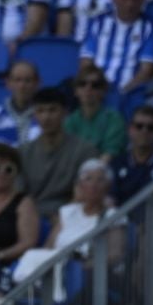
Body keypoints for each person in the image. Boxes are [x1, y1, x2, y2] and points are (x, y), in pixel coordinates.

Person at [19, 88, 100, 219]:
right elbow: (18, 195)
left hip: (71, 218)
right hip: (30, 217)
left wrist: (62, 218)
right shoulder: (23, 152)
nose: (46, 117)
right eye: (40, 111)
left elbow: (84, 194)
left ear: (65, 113)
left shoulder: (85, 151)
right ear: (34, 115)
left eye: (52, 110)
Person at [78, 0, 153, 95]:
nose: (130, 4)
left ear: (143, 0)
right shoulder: (97, 23)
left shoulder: (151, 28)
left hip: (130, 93)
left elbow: (146, 71)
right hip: (96, 91)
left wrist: (123, 93)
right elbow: (86, 63)